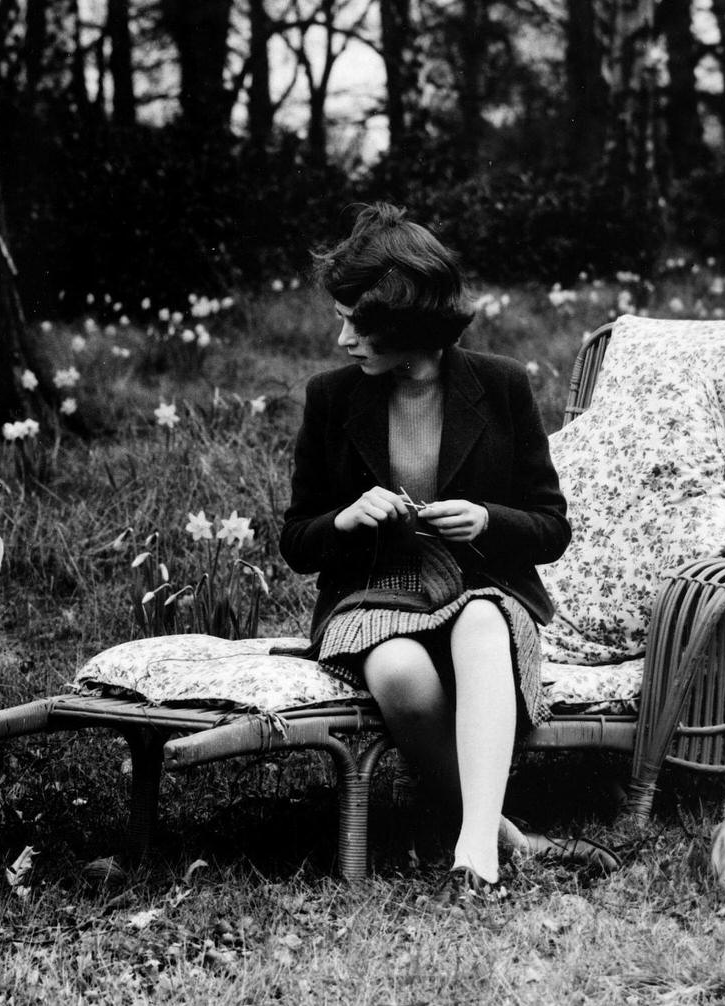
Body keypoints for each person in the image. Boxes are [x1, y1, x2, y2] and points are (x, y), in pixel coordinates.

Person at [279, 204, 569, 891]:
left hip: (480, 589)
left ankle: (475, 852)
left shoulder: (499, 385)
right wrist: (346, 518)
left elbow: (551, 526)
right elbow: (297, 541)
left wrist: (487, 519)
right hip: (372, 595)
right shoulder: (331, 398)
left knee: (478, 622)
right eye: (342, 317)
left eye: (360, 323)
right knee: (400, 673)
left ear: (411, 328)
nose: (343, 337)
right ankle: (499, 827)